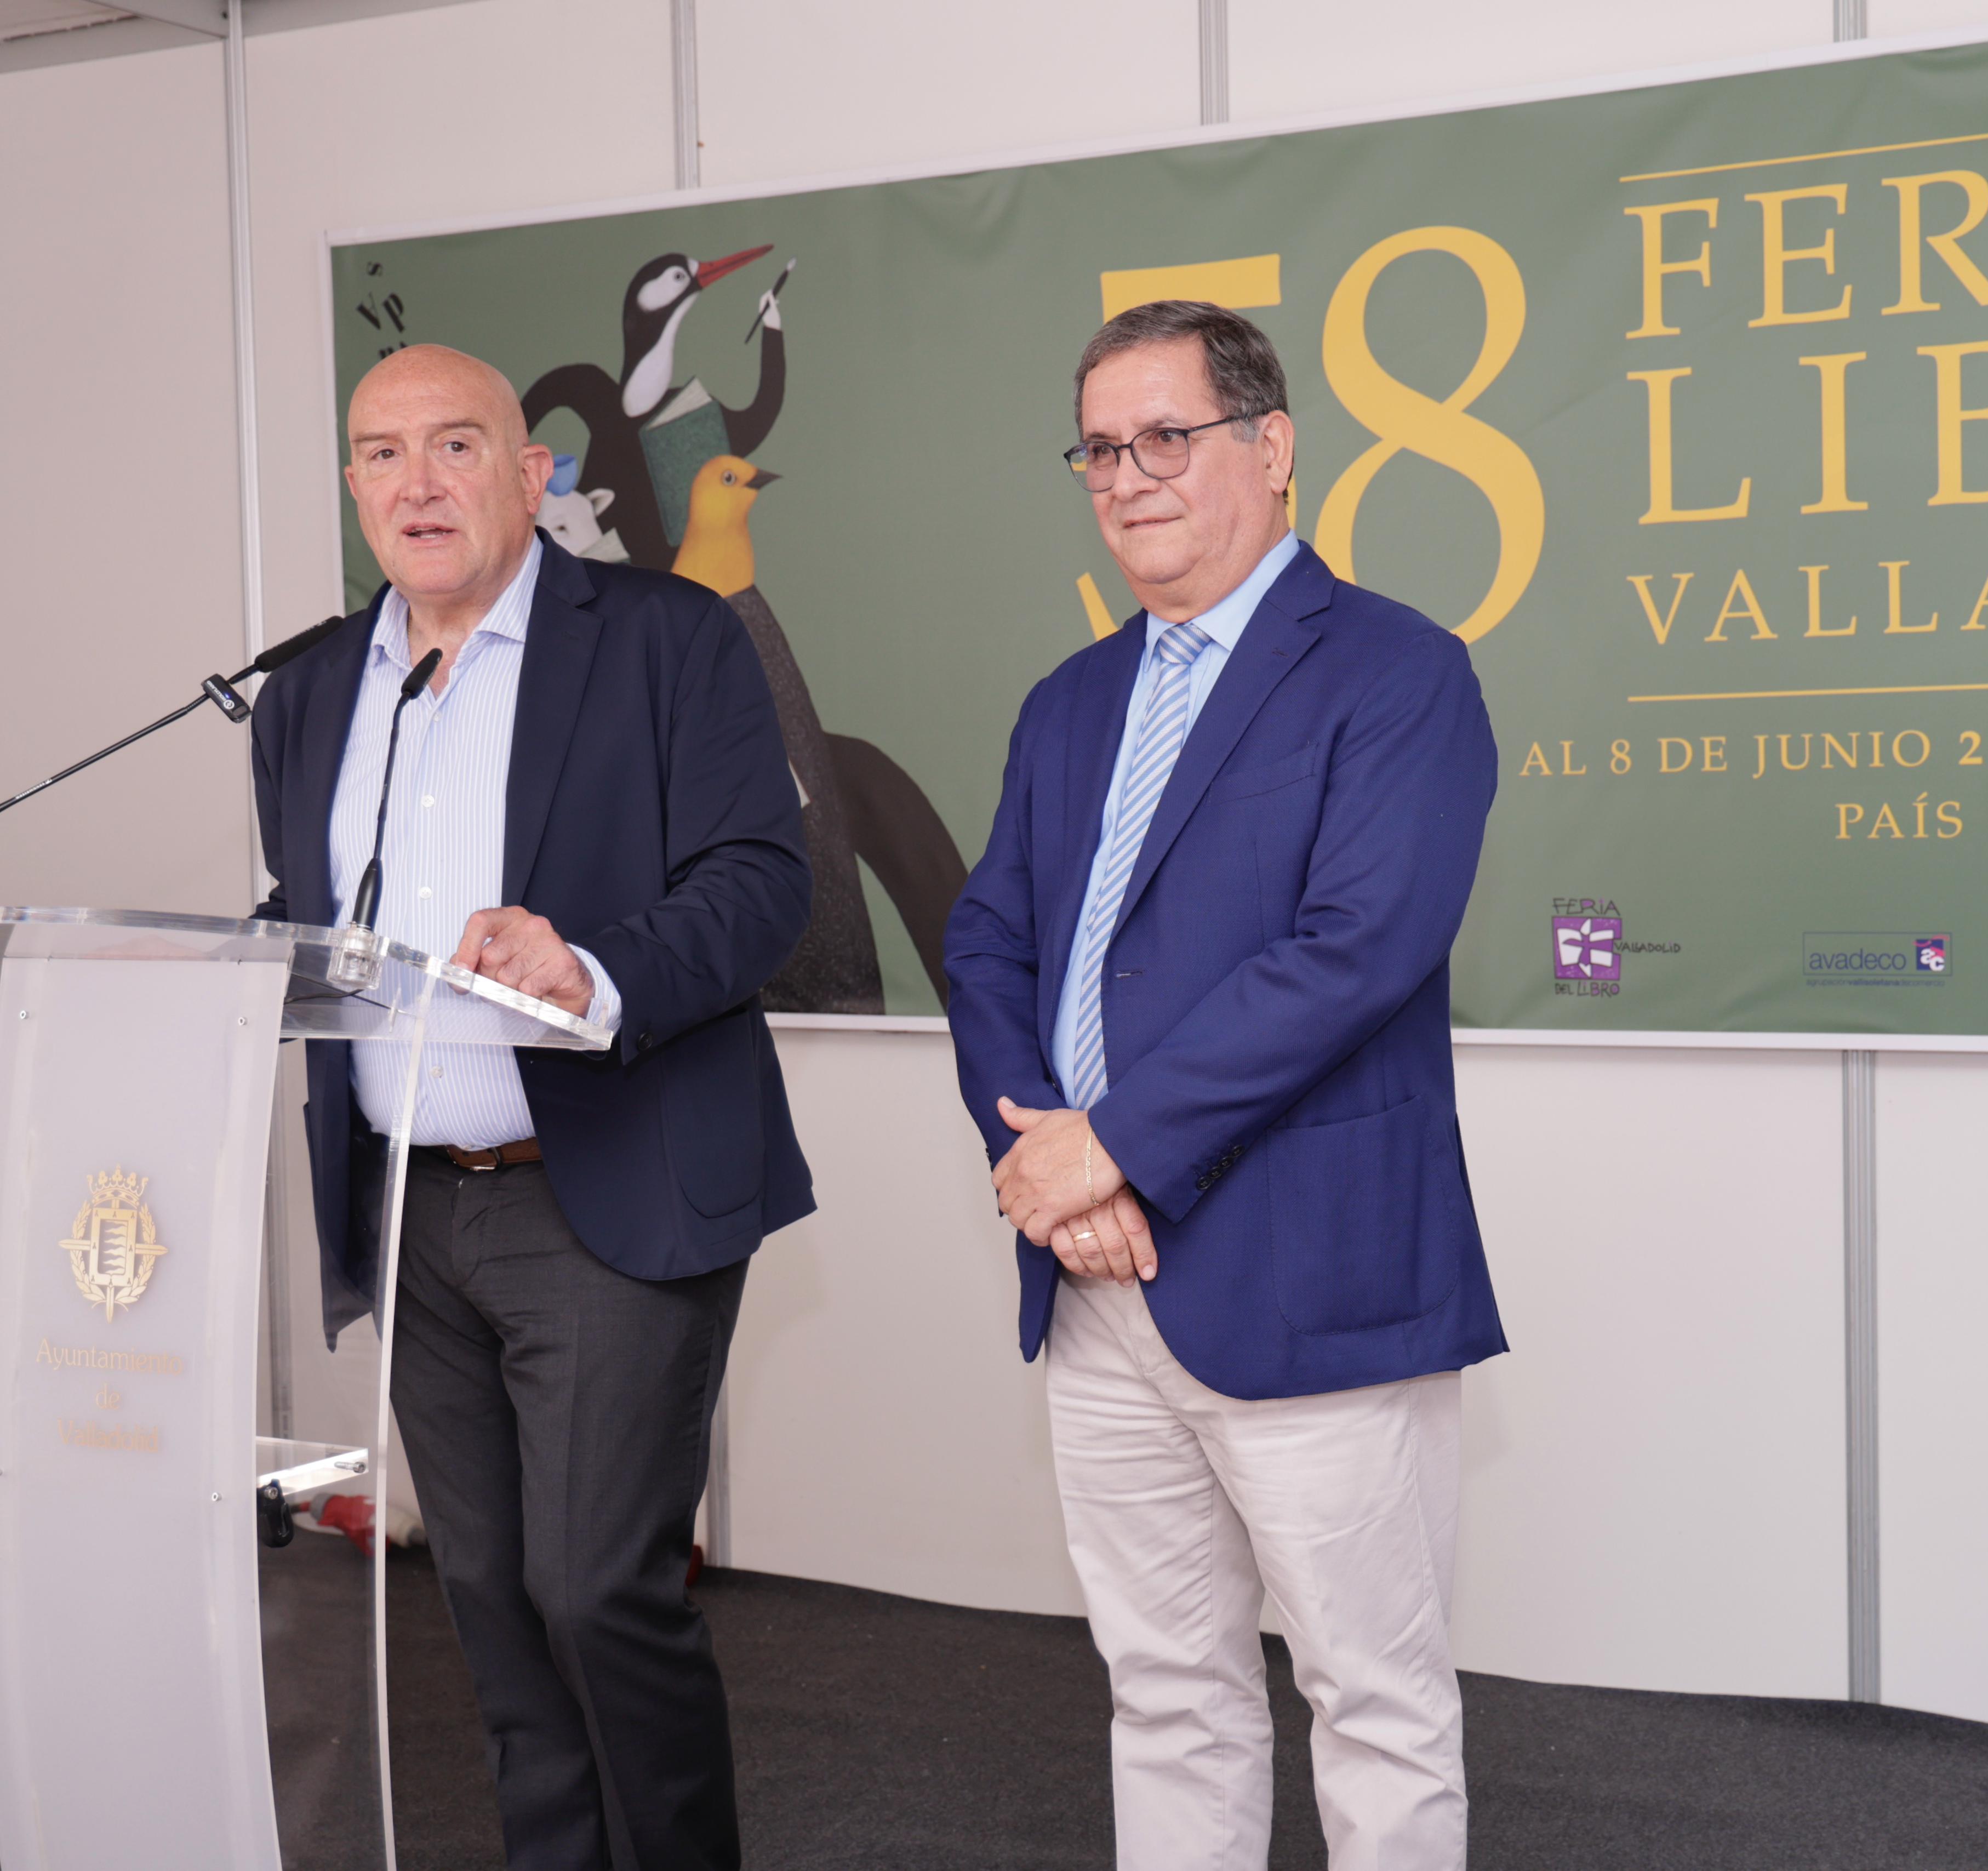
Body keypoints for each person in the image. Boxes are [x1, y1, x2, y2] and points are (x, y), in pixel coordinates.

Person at [945, 300, 1506, 1870]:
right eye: (1099, 450)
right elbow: (988, 943)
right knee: (1166, 1693)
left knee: (1373, 1702)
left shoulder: (1398, 672)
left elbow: (1356, 950)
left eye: (1166, 438)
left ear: (1272, 448)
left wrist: (1111, 1147)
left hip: (1311, 1272)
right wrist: (1055, 1164)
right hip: (1097, 1281)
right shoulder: (1069, 702)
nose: (1128, 477)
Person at [249, 343, 813, 1871]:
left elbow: (765, 881)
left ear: (532, 472)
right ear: (354, 488)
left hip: (608, 1185)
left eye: (455, 445)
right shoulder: (310, 691)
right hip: (409, 1206)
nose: (417, 484)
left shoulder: (665, 639)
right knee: (493, 1607)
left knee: (595, 1591)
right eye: (382, 454)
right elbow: (310, 916)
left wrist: (596, 969)